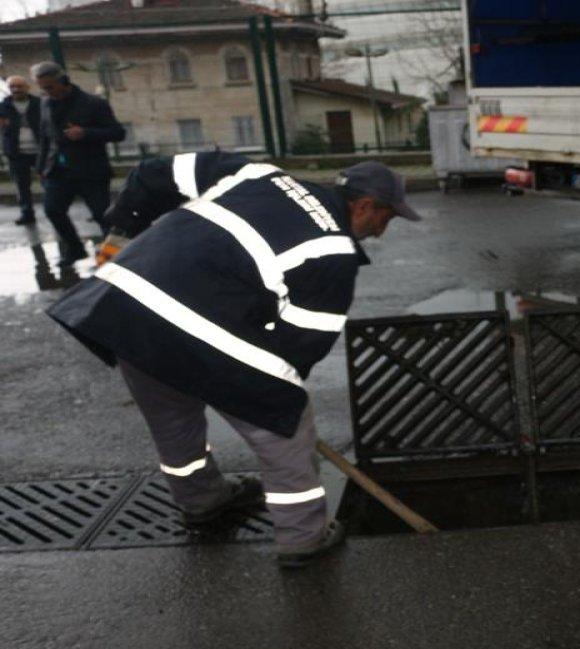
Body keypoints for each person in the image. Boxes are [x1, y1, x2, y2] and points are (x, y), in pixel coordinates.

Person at [47, 153, 421, 567]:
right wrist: (273, 403)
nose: (381, 232)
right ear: (364, 205)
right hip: (187, 323)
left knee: (173, 420)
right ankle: (303, 538)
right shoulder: (333, 253)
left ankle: (202, 501)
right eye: (385, 219)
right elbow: (300, 346)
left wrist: (120, 234)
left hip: (127, 309)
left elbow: (153, 174)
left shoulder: (257, 174)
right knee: (288, 429)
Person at [31, 61, 125, 267]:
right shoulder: (45, 103)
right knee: (53, 209)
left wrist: (86, 133)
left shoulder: (94, 103)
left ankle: (115, 256)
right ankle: (75, 249)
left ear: (63, 81)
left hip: (90, 169)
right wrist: (41, 167)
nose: (46, 92)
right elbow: (45, 138)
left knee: (103, 215)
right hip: (57, 170)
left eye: (49, 87)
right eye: (42, 88)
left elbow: (118, 133)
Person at [0, 76, 42, 225]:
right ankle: (27, 214)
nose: (16, 90)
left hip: (40, 151)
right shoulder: (3, 107)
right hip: (16, 152)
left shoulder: (39, 104)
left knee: (49, 182)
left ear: (27, 87)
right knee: (22, 186)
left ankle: (56, 210)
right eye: (12, 87)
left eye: (19, 86)